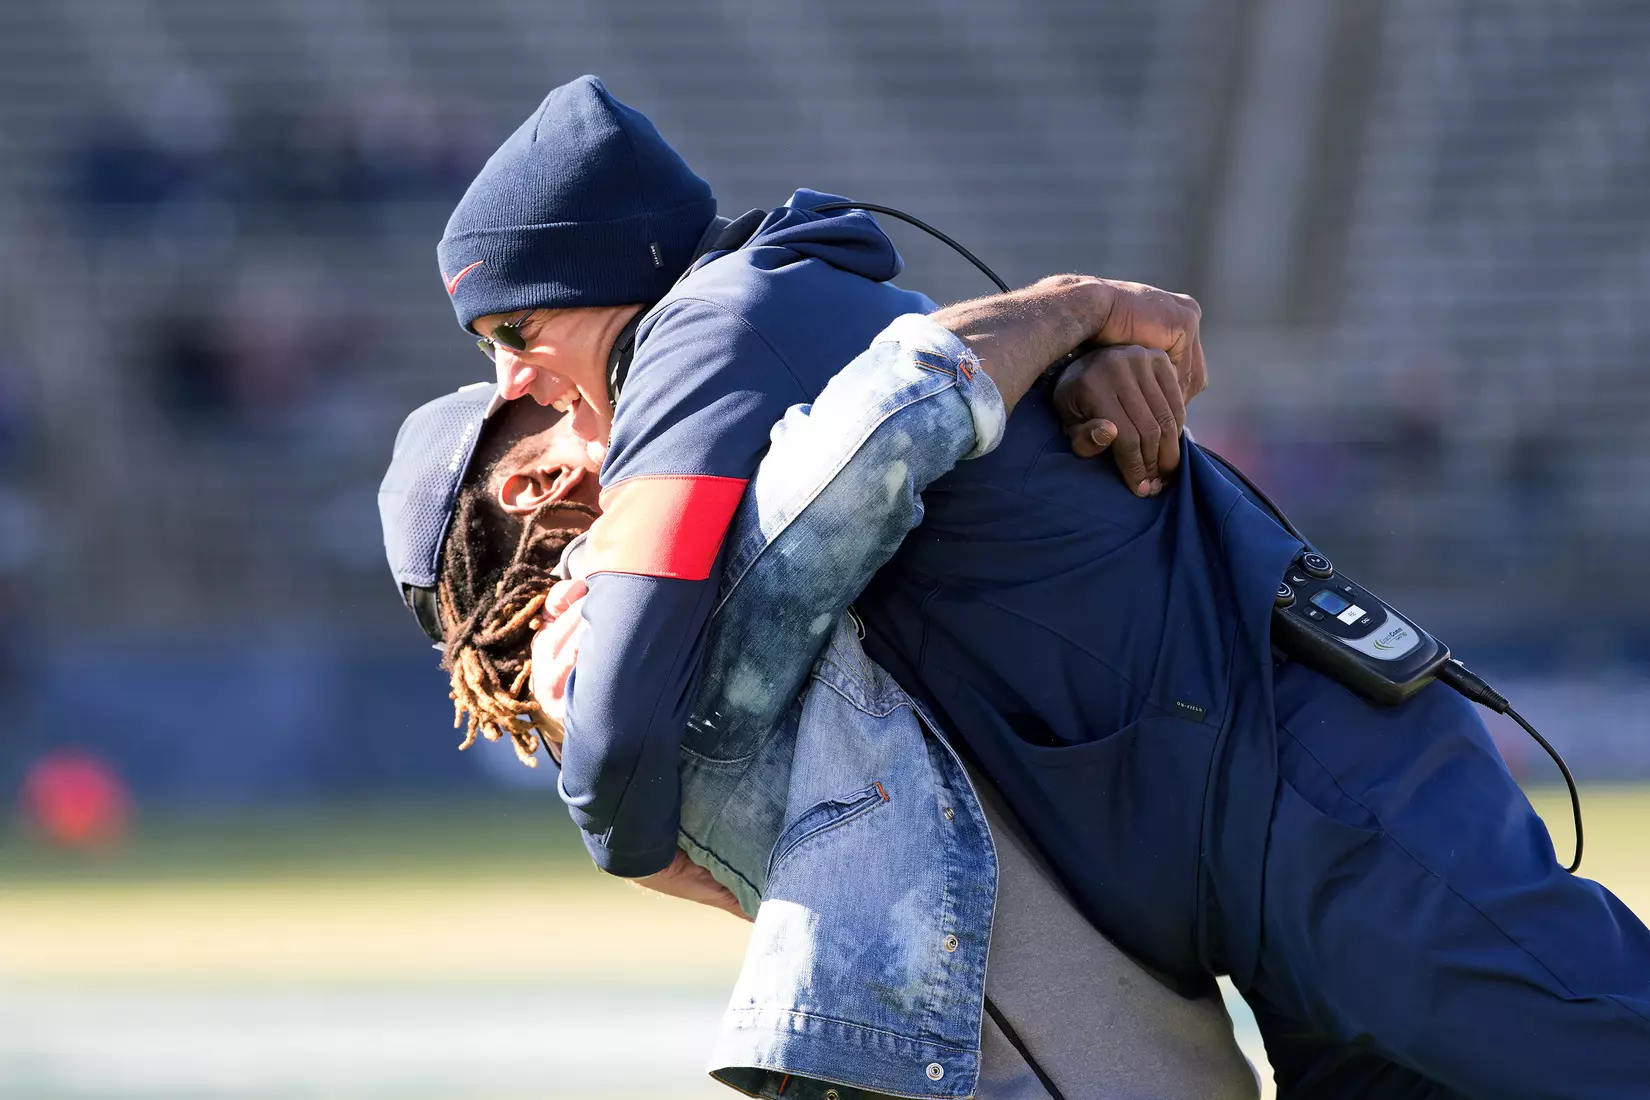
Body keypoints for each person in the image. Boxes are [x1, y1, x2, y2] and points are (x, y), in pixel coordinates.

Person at [430, 77, 1650, 1096]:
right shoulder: (763, 321)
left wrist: (618, 777)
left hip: (1304, 788)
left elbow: (616, 746)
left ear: (607, 282)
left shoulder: (707, 324)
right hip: (1247, 816)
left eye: (514, 334)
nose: (515, 382)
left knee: (1600, 1049)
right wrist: (1075, 321)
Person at [380, 297, 1262, 1098]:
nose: (627, 400)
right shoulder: (608, 655)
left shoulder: (633, 643)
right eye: (576, 405)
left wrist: (1075, 384)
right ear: (537, 488)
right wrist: (1079, 310)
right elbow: (880, 427)